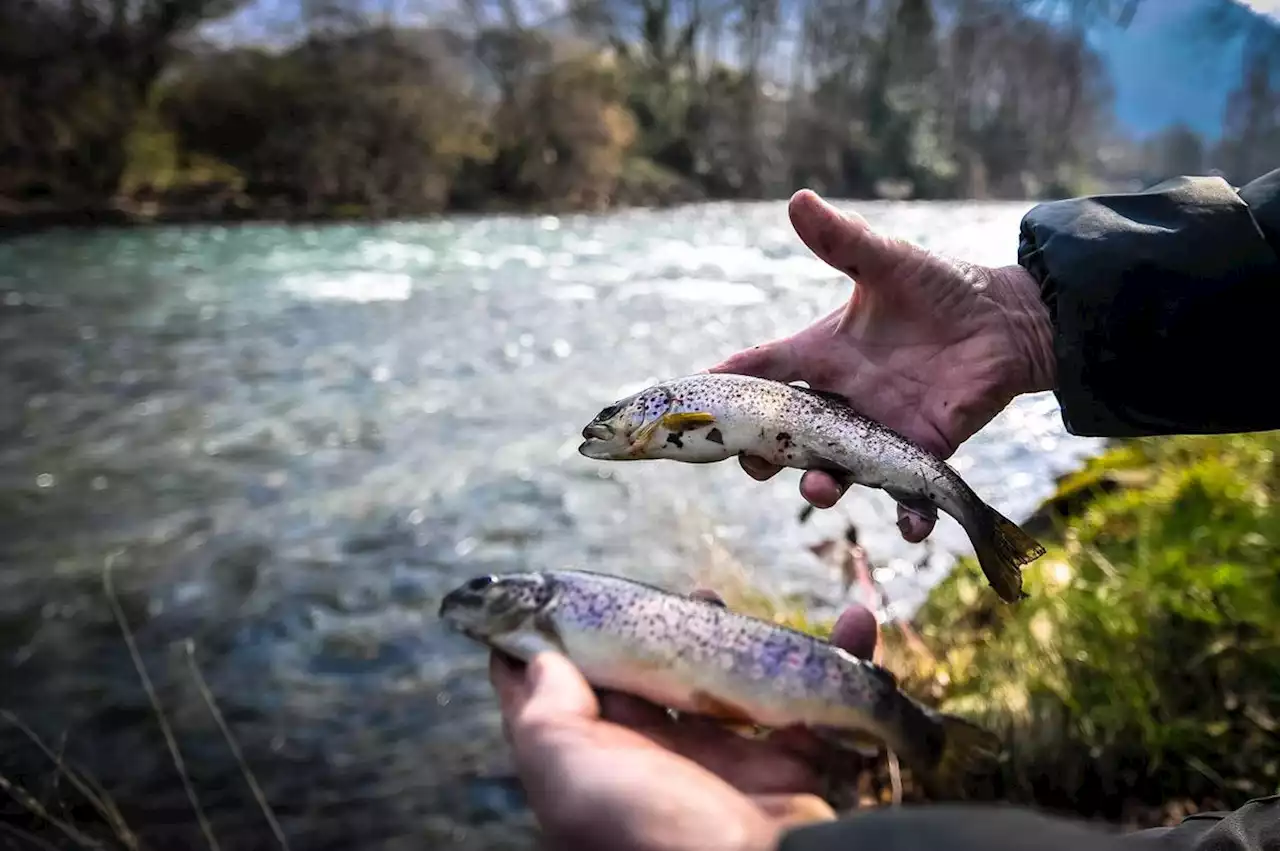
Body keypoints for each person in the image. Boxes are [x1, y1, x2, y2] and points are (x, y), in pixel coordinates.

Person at [488, 170, 1280, 851]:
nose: (603, 439)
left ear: (647, 414)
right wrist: (1024, 318)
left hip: (850, 438)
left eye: (608, 428)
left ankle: (981, 530)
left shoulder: (671, 409)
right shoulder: (674, 415)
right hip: (845, 429)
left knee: (899, 482)